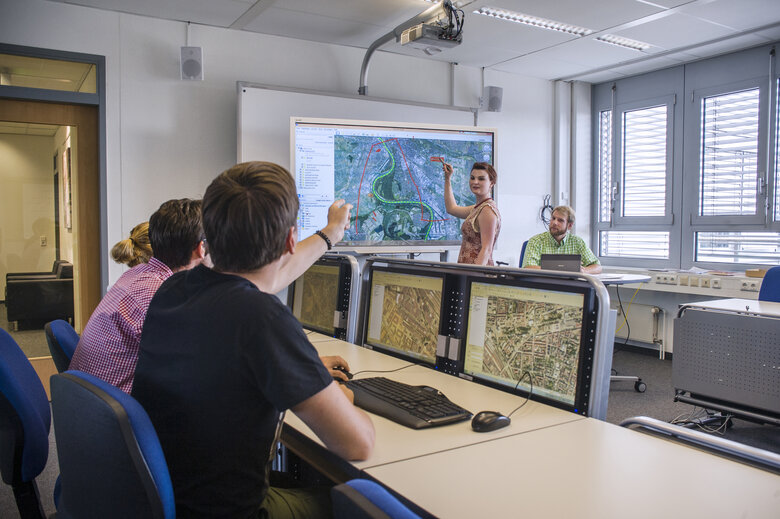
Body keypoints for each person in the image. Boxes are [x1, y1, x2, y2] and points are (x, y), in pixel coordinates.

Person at [132, 162, 375, 519]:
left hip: (174, 494)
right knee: (362, 505)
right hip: (231, 511)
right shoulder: (261, 317)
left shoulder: (174, 289)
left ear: (208, 237)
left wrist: (329, 234)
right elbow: (359, 444)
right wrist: (336, 392)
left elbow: (259, 283)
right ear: (291, 239)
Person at [69, 199, 207, 393]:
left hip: (90, 403)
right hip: (117, 411)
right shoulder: (162, 297)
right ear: (201, 248)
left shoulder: (139, 273)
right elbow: (194, 368)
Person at [442, 161, 501, 265]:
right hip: (467, 272)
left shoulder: (487, 210)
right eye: (472, 178)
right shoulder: (478, 208)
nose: (475, 182)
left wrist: (472, 277)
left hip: (476, 274)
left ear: (491, 183)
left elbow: (486, 249)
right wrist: (447, 178)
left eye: (481, 179)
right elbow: (451, 208)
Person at [522, 205, 602, 274]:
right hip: (544, 287)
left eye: (560, 220)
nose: (554, 223)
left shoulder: (577, 242)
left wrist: (584, 271)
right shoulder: (536, 241)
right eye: (553, 218)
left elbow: (597, 267)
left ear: (570, 225)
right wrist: (564, 269)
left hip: (571, 287)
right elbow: (528, 267)